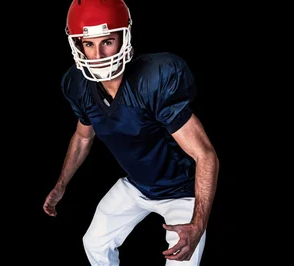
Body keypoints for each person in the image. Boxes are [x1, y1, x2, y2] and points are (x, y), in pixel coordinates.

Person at [42, 0, 220, 265]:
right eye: (89, 44)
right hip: (137, 187)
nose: (99, 54)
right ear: (77, 45)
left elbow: (206, 156)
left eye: (107, 41)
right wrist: (61, 184)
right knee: (94, 244)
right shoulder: (78, 85)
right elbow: (82, 137)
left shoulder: (153, 79)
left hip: (182, 191)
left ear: (124, 37)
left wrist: (198, 223)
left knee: (182, 260)